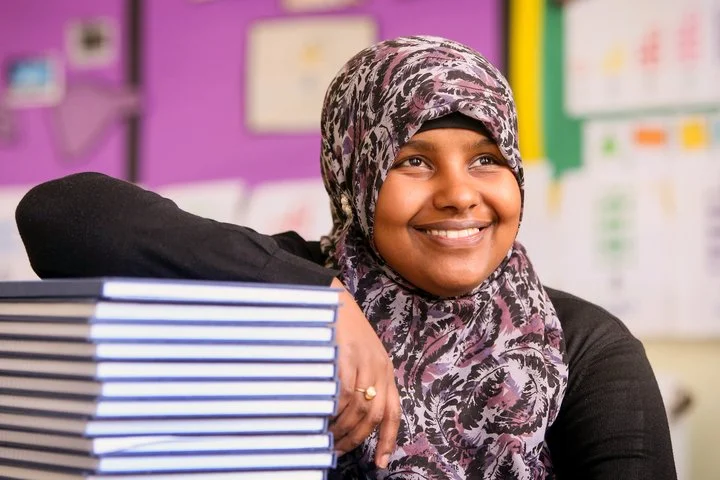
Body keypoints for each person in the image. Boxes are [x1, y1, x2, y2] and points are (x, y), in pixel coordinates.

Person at [15, 36, 675, 479]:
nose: (459, 195)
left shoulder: (584, 346)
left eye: (486, 160)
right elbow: (60, 215)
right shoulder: (273, 288)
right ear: (353, 176)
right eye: (413, 160)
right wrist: (319, 295)